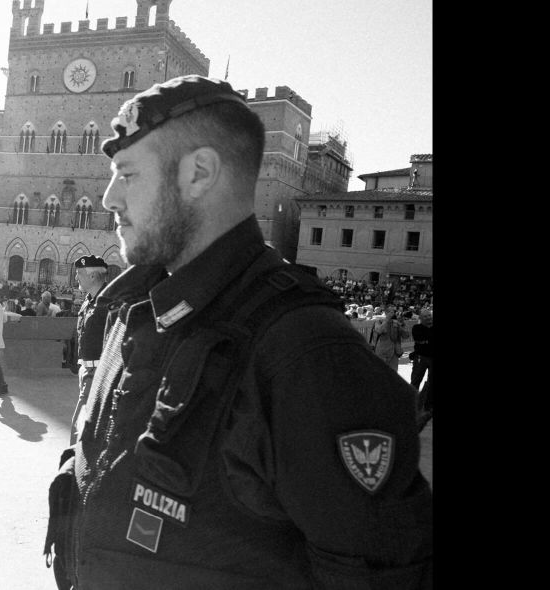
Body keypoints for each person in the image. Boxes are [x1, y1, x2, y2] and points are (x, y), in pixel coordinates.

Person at [45, 75, 432, 588]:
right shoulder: (131, 310)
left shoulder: (306, 352)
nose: (109, 198)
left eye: (128, 174)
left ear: (199, 173)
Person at [68, 255, 109, 445]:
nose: (76, 278)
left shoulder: (109, 303)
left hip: (99, 373)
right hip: (85, 370)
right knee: (94, 426)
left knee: (79, 428)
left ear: (93, 276)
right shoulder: (88, 301)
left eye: (79, 274)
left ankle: (71, 470)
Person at [410, 308, 433, 427]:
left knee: (431, 383)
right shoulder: (416, 328)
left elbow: (425, 340)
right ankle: (412, 406)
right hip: (421, 357)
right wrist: (427, 340)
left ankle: (427, 407)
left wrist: (426, 340)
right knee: (415, 380)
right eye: (426, 317)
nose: (429, 318)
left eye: (429, 316)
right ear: (421, 318)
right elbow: (419, 339)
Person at [373, 304, 409, 371]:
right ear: (386, 312)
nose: (392, 313)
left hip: (394, 354)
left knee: (393, 376)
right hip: (382, 353)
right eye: (390, 311)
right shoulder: (379, 321)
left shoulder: (396, 323)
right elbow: (379, 331)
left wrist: (402, 324)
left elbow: (406, 336)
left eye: (393, 312)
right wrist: (387, 319)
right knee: (380, 374)